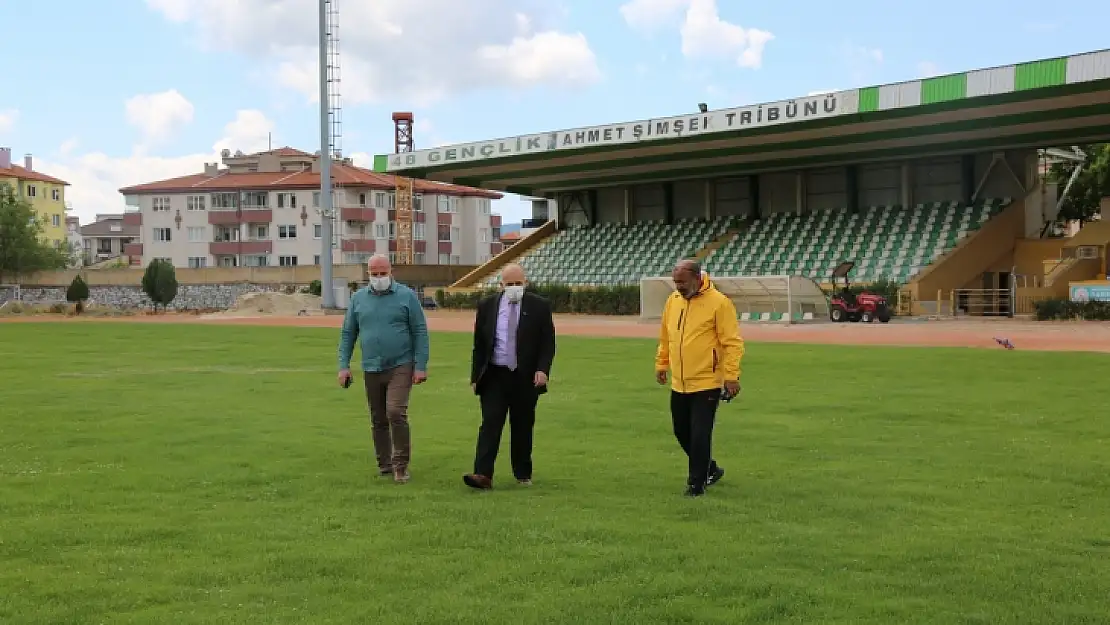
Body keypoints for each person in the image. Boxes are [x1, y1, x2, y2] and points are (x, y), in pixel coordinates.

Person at [655, 259, 744, 497]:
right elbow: (666, 335)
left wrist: (731, 376)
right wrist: (662, 363)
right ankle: (711, 468)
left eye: (682, 282)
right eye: (675, 282)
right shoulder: (673, 301)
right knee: (681, 431)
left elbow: (732, 343)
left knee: (699, 434)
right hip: (679, 382)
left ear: (696, 277)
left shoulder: (719, 303)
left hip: (707, 381)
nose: (678, 287)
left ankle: (697, 483)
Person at [463, 263, 556, 490]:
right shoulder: (487, 306)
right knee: (490, 423)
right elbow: (479, 345)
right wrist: (475, 376)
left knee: (522, 424)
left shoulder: (539, 306)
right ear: (501, 285)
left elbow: (548, 342)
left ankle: (522, 473)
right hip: (495, 374)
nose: (514, 287)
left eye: (518, 283)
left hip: (525, 376)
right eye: (509, 284)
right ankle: (483, 474)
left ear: (525, 283)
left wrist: (542, 369)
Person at [337, 254, 429, 484]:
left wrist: (420, 366)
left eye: (382, 273)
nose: (379, 278)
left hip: (401, 363)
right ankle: (385, 464)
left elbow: (420, 331)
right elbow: (349, 333)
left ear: (391, 272)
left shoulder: (407, 297)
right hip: (371, 366)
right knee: (378, 419)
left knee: (395, 412)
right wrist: (343, 366)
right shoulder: (358, 299)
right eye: (374, 274)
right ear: (368, 274)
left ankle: (401, 465)